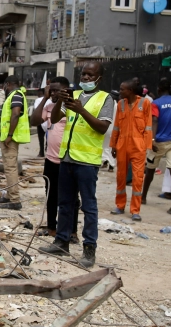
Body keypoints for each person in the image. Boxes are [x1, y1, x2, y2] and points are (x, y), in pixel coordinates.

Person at [38, 61, 113, 268]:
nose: (86, 78)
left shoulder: (105, 99)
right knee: (65, 203)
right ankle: (61, 242)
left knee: (88, 207)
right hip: (67, 158)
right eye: (83, 74)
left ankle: (89, 249)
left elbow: (101, 128)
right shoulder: (75, 95)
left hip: (87, 162)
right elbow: (54, 119)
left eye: (90, 75)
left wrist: (81, 110)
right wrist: (59, 103)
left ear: (99, 77)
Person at [31, 77, 78, 238]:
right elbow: (35, 121)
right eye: (51, 90)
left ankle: (72, 231)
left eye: (57, 90)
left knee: (71, 197)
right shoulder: (49, 106)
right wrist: (44, 98)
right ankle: (52, 228)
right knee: (51, 194)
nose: (54, 93)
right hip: (51, 159)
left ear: (65, 90)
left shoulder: (73, 106)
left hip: (68, 159)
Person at [141, 79, 171, 216]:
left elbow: (155, 120)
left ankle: (143, 197)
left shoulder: (156, 103)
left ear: (159, 89)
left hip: (158, 142)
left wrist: (152, 139)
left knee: (150, 170)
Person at [110, 80, 153, 221]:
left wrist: (147, 147)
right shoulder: (121, 104)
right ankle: (120, 205)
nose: (120, 91)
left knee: (138, 178)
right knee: (121, 176)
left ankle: (135, 210)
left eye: (122, 89)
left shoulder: (145, 103)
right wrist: (114, 145)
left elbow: (148, 126)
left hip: (138, 145)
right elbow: (116, 126)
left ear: (131, 90)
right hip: (122, 144)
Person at [0, 76, 30, 211]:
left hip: (11, 138)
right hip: (6, 138)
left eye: (4, 86)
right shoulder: (14, 96)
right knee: (8, 167)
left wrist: (9, 136)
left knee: (10, 168)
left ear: (8, 84)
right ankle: (10, 195)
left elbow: (15, 114)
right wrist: (0, 137)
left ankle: (15, 200)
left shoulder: (16, 95)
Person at [31, 88, 46, 157]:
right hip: (48, 121)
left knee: (41, 138)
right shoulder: (49, 100)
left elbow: (36, 109)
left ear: (40, 93)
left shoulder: (38, 100)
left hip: (40, 120)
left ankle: (41, 152)